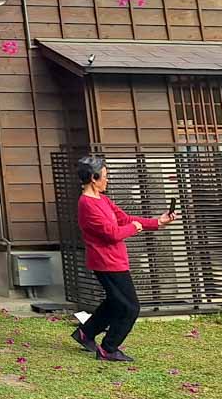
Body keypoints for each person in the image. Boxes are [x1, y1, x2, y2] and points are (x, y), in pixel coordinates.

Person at [70, 154, 178, 362]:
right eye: (105, 176)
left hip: (115, 260)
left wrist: (158, 222)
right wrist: (134, 228)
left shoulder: (102, 199)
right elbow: (112, 233)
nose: (107, 180)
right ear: (93, 178)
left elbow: (125, 219)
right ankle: (109, 348)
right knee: (130, 307)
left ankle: (85, 334)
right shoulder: (87, 204)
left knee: (114, 302)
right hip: (106, 262)